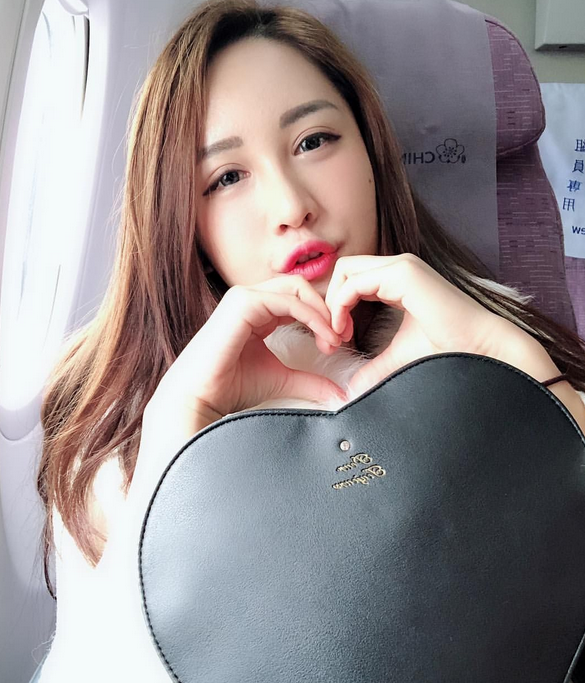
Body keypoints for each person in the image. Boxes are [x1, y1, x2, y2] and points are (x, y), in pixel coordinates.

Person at [33, 0, 585, 680]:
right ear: (181, 219)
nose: (292, 205)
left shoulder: (483, 339)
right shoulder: (114, 441)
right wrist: (172, 454)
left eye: (314, 141)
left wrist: (516, 369)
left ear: (372, 151)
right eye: (226, 177)